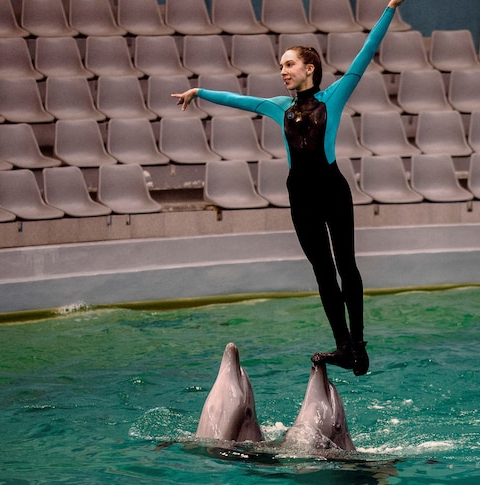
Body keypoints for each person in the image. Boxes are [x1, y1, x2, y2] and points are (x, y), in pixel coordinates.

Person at [173, 0, 406, 376]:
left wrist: (390, 8)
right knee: (322, 270)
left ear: (308, 68)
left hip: (332, 189)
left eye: (288, 64)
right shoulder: (279, 106)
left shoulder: (334, 96)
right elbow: (238, 100)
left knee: (346, 264)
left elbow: (366, 53)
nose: (282, 70)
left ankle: (359, 347)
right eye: (280, 66)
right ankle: (343, 346)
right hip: (300, 196)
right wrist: (199, 92)